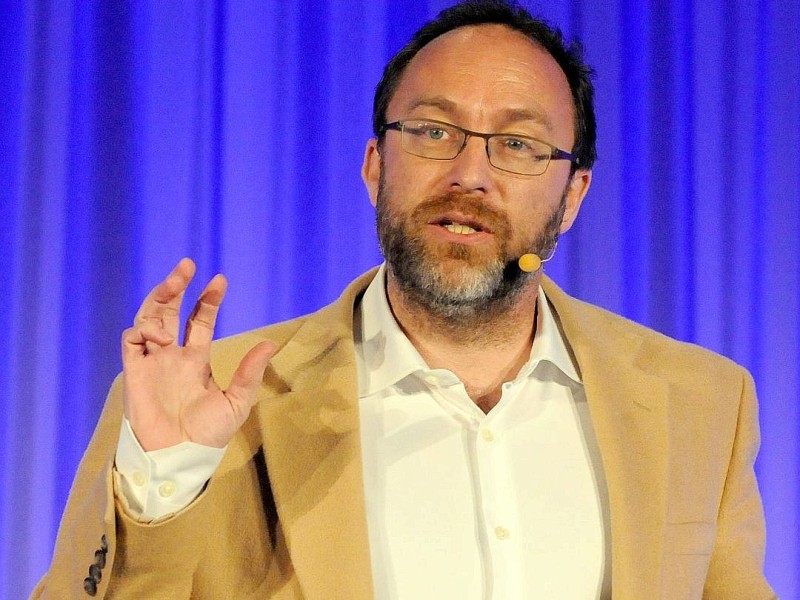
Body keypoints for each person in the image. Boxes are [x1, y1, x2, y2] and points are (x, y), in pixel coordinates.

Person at [33, 1, 775, 598]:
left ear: (574, 193)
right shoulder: (207, 403)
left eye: (517, 144)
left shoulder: (702, 402)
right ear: (374, 165)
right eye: (433, 131)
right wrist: (165, 484)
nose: (470, 174)